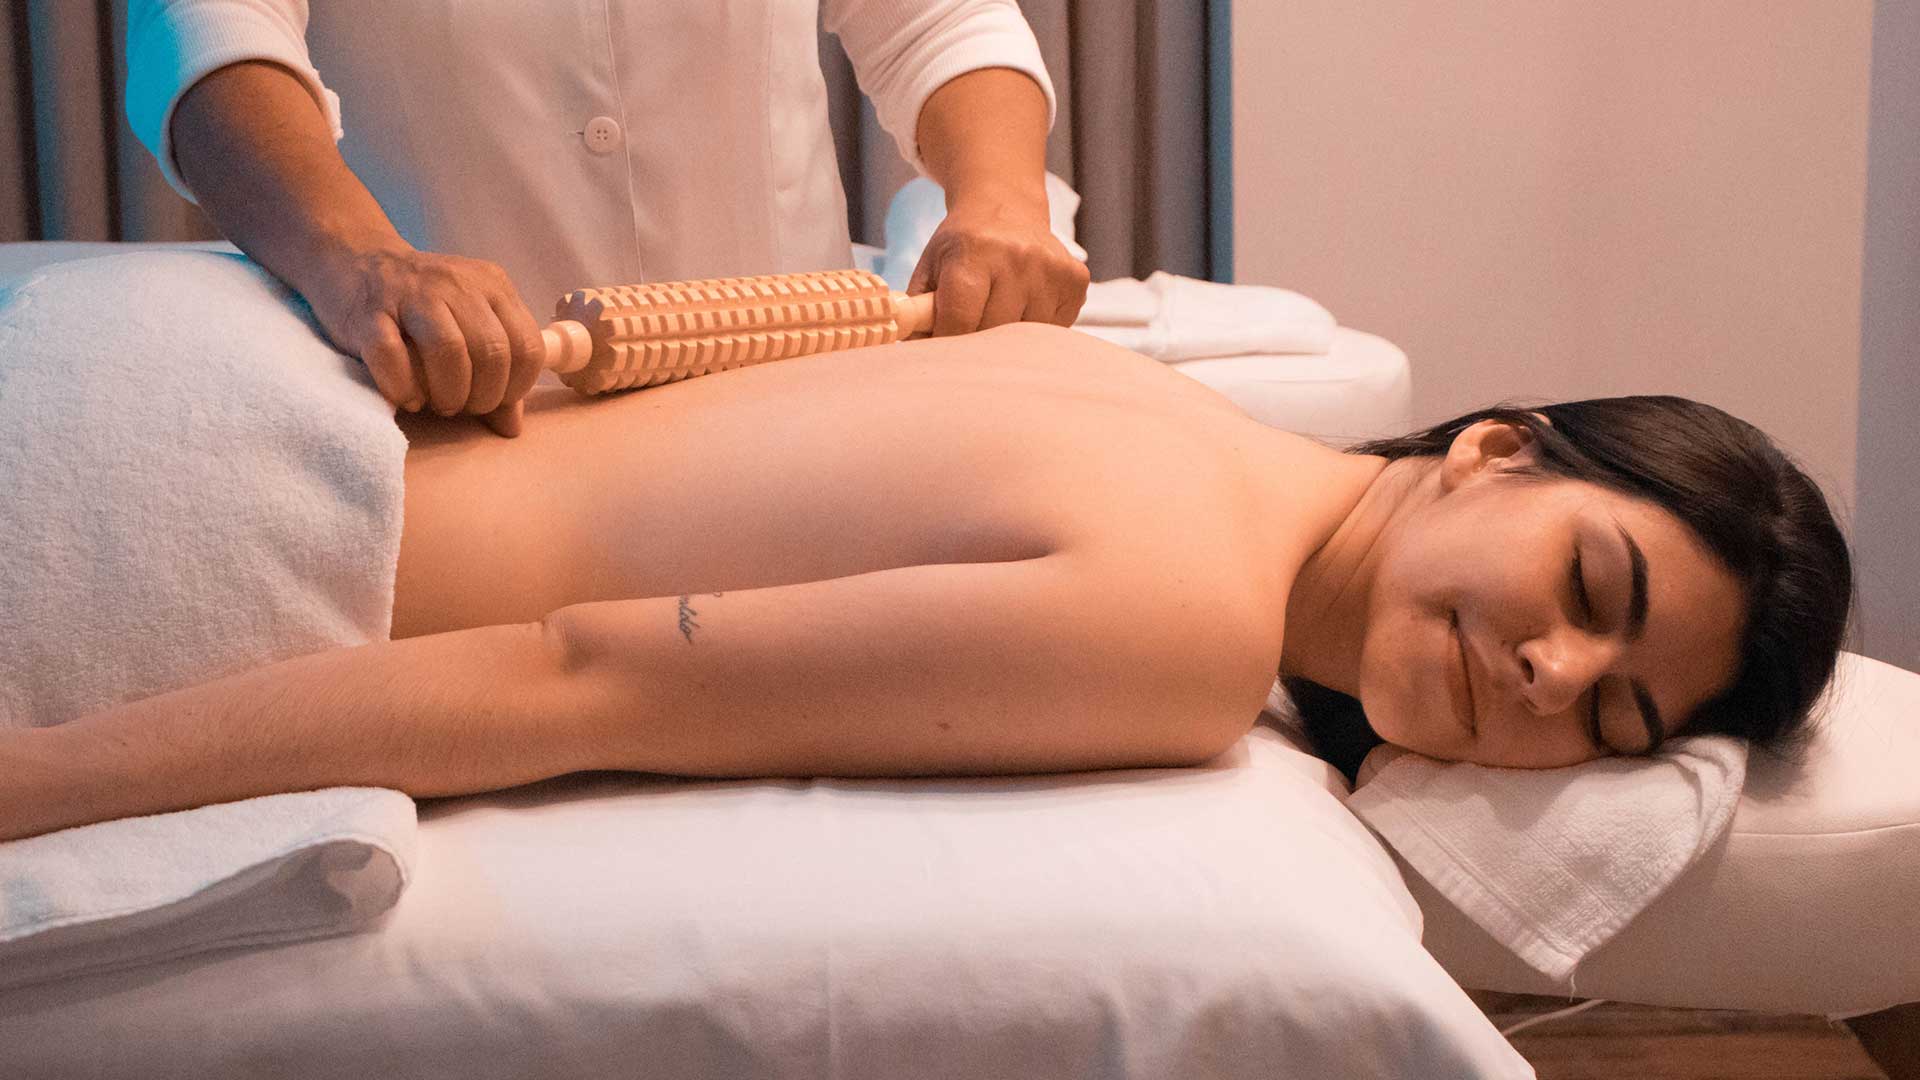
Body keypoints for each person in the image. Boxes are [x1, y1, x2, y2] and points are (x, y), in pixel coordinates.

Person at [0, 323, 1852, 841]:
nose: (1549, 675)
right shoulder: (1187, 632)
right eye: (1590, 586)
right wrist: (43, 785)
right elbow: (576, 678)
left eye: (1618, 719)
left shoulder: (1145, 395)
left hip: (189, 373)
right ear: (1497, 449)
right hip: (215, 525)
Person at [126, 1, 1089, 436]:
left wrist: (1004, 202)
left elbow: (940, 20)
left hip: (803, 400)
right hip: (469, 411)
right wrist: (360, 259)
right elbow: (205, 30)